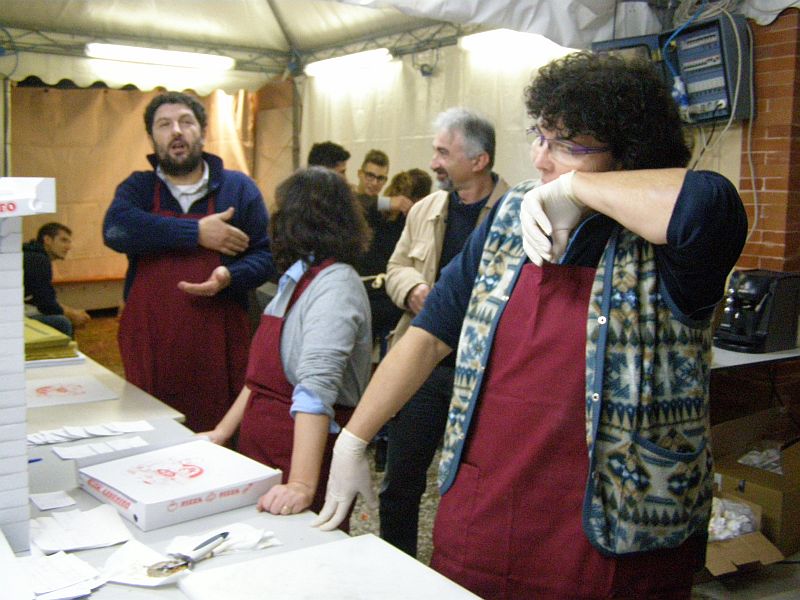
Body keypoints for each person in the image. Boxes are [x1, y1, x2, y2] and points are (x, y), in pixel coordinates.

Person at [314, 52, 747, 599]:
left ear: (630, 155)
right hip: (490, 509)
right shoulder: (510, 216)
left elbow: (709, 202)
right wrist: (355, 439)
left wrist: (577, 190)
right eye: (540, 136)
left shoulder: (670, 249)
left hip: (615, 529)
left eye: (567, 145)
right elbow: (429, 335)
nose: (541, 160)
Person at [203, 167, 372, 529]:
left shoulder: (336, 285)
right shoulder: (294, 279)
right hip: (259, 453)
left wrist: (301, 484)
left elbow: (315, 392)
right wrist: (221, 433)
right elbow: (256, 381)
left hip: (300, 457)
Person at [377, 107, 510, 557]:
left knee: (475, 486)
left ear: (479, 160)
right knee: (401, 483)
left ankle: (462, 570)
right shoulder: (425, 210)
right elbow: (394, 267)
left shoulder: (515, 214)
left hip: (485, 376)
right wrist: (412, 289)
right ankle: (395, 570)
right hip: (422, 369)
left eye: (442, 152)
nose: (433, 162)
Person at [103, 91, 275, 433]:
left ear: (203, 131)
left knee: (219, 440)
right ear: (153, 138)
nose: (176, 131)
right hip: (152, 343)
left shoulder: (238, 189)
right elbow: (117, 230)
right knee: (154, 437)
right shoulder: (138, 188)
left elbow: (267, 257)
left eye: (186, 122)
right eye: (164, 125)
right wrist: (195, 232)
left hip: (219, 344)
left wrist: (230, 274)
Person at [23, 222, 91, 337]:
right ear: (47, 240)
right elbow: (46, 304)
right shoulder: (38, 260)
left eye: (69, 242)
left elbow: (42, 299)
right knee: (62, 323)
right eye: (63, 240)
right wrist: (73, 315)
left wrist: (70, 312)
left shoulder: (32, 255)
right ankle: (63, 354)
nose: (68, 247)